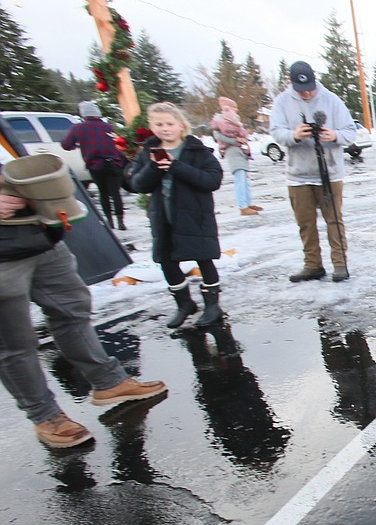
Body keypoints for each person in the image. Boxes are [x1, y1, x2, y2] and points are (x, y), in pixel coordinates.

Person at [0, 182, 167, 449]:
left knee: (72, 311)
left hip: (39, 237)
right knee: (14, 341)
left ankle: (109, 382)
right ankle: (46, 416)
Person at [129, 102, 226, 329]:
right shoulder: (148, 154)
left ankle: (212, 305)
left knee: (204, 259)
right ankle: (184, 304)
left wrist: (176, 167)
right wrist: (153, 167)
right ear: (152, 126)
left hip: (195, 217)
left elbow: (212, 180)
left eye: (170, 123)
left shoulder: (197, 151)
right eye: (159, 124)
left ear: (181, 126)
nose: (165, 128)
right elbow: (137, 184)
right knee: (167, 261)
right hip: (164, 217)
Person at [270, 61, 357, 281]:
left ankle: (340, 264)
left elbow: (350, 131)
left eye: (309, 86)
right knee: (305, 223)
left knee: (334, 220)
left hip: (330, 172)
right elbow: (277, 132)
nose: (307, 92)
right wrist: (294, 135)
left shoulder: (332, 100)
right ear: (291, 83)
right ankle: (313, 265)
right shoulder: (282, 102)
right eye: (302, 89)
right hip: (298, 175)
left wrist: (335, 136)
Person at [61, 101, 126, 230]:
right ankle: (121, 221)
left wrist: (78, 143)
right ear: (98, 113)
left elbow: (66, 145)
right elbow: (121, 142)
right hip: (114, 163)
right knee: (116, 193)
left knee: (103, 193)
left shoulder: (78, 128)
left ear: (83, 114)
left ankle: (109, 221)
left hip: (95, 165)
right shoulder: (109, 126)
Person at [210, 97, 261, 216]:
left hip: (240, 150)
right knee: (240, 177)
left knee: (245, 178)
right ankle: (242, 205)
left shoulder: (233, 120)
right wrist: (235, 140)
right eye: (234, 106)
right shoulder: (221, 121)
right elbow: (218, 136)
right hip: (232, 151)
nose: (236, 109)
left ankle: (248, 202)